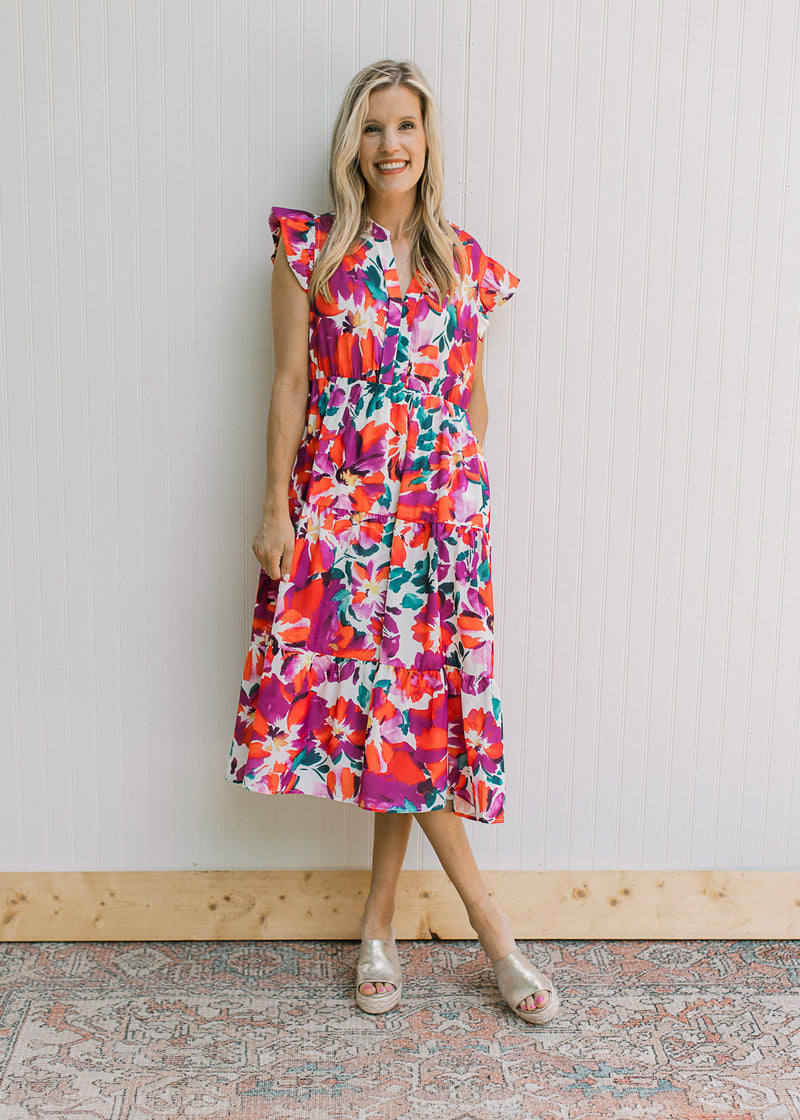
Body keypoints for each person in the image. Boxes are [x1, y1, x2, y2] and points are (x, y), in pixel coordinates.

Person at [227, 59, 558, 1025]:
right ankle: (493, 930)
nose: (391, 144)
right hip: (345, 515)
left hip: (439, 528)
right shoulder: (313, 253)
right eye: (373, 128)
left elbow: (474, 401)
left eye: (406, 124)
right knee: (398, 723)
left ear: (428, 138)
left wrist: (454, 489)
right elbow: (290, 385)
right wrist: (277, 510)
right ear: (351, 145)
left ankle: (377, 922)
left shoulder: (462, 262)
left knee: (402, 723)